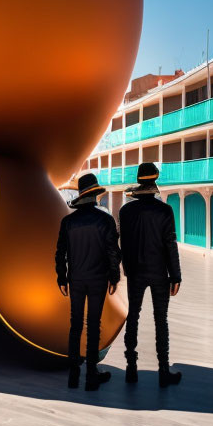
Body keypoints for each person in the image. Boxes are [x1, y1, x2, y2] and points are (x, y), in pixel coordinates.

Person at [55, 173, 121, 391]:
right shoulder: (105, 220)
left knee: (75, 325)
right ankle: (91, 377)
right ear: (95, 196)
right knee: (93, 325)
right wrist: (114, 276)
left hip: (76, 279)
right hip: (98, 280)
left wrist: (61, 277)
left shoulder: (68, 221)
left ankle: (73, 376)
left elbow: (60, 253)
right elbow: (113, 252)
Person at [119, 162, 182, 387]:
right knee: (160, 320)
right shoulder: (165, 211)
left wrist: (126, 267)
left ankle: (131, 368)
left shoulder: (126, 211)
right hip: (159, 273)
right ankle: (163, 371)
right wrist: (175, 276)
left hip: (135, 272)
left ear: (139, 182)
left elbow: (123, 243)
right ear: (155, 182)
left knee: (133, 316)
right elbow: (170, 244)